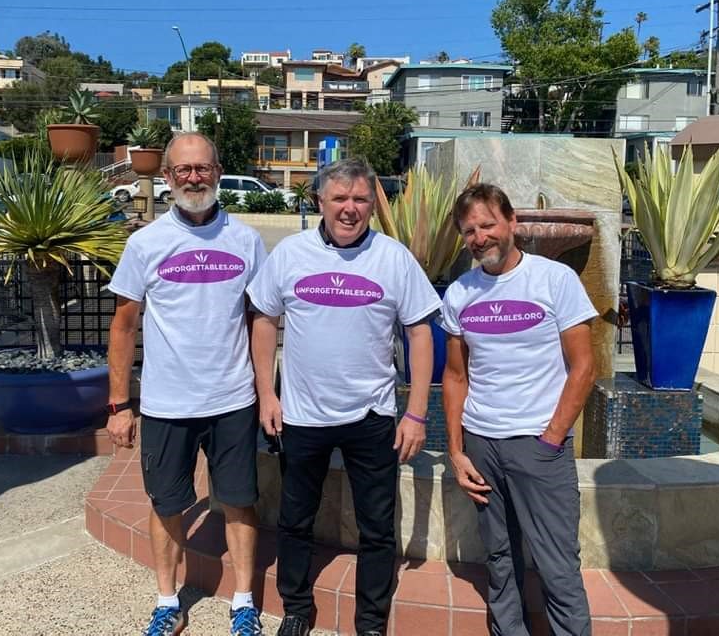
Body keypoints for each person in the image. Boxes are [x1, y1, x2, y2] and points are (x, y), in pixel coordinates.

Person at [247, 158, 440, 636]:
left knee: (377, 528)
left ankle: (370, 622)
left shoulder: (393, 257)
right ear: (320, 201)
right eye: (340, 199)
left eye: (359, 199)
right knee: (295, 519)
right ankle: (296, 609)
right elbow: (264, 320)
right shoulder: (290, 254)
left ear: (373, 204)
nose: (349, 209)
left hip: (372, 416)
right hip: (303, 415)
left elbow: (419, 333)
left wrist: (416, 412)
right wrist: (266, 394)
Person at [106, 132, 267, 636]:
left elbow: (260, 319)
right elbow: (124, 325)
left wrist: (268, 394)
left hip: (233, 398)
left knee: (239, 501)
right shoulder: (145, 243)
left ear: (218, 171)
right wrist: (118, 405)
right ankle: (166, 601)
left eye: (202, 168)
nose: (193, 177)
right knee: (167, 504)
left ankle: (243, 603)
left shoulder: (247, 241)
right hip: (166, 403)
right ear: (168, 177)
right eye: (183, 170)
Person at [440, 183, 597, 636]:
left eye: (487, 225)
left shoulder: (554, 279)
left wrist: (552, 437)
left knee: (558, 566)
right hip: (482, 444)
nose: (479, 237)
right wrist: (456, 451)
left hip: (538, 446)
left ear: (512, 223)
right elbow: (455, 376)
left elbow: (584, 366)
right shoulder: (460, 294)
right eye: (469, 231)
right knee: (499, 559)